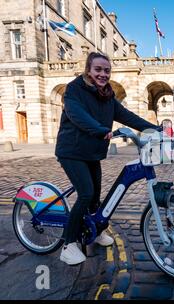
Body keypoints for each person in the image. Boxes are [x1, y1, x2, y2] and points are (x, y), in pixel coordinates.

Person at [55, 52, 161, 265]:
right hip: (72, 151)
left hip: (93, 152)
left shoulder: (107, 95)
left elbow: (127, 116)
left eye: (106, 70)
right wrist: (100, 129)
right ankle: (69, 244)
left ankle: (97, 230)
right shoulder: (74, 89)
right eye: (98, 70)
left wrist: (154, 129)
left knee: (95, 197)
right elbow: (76, 114)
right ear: (88, 70)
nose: (103, 74)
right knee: (85, 194)